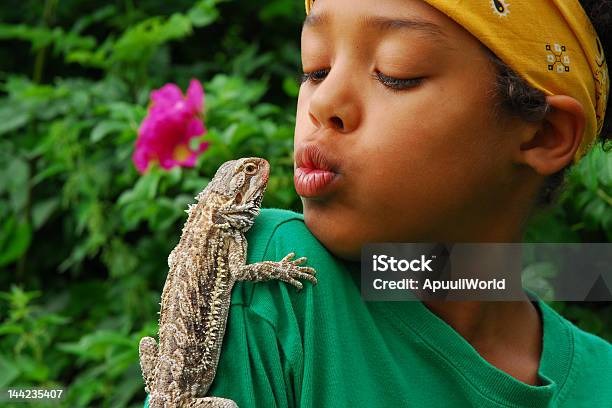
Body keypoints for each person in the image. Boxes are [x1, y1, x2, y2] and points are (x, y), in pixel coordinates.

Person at [145, 0, 611, 406]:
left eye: (396, 73)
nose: (323, 100)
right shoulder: (275, 277)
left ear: (544, 133)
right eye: (315, 69)